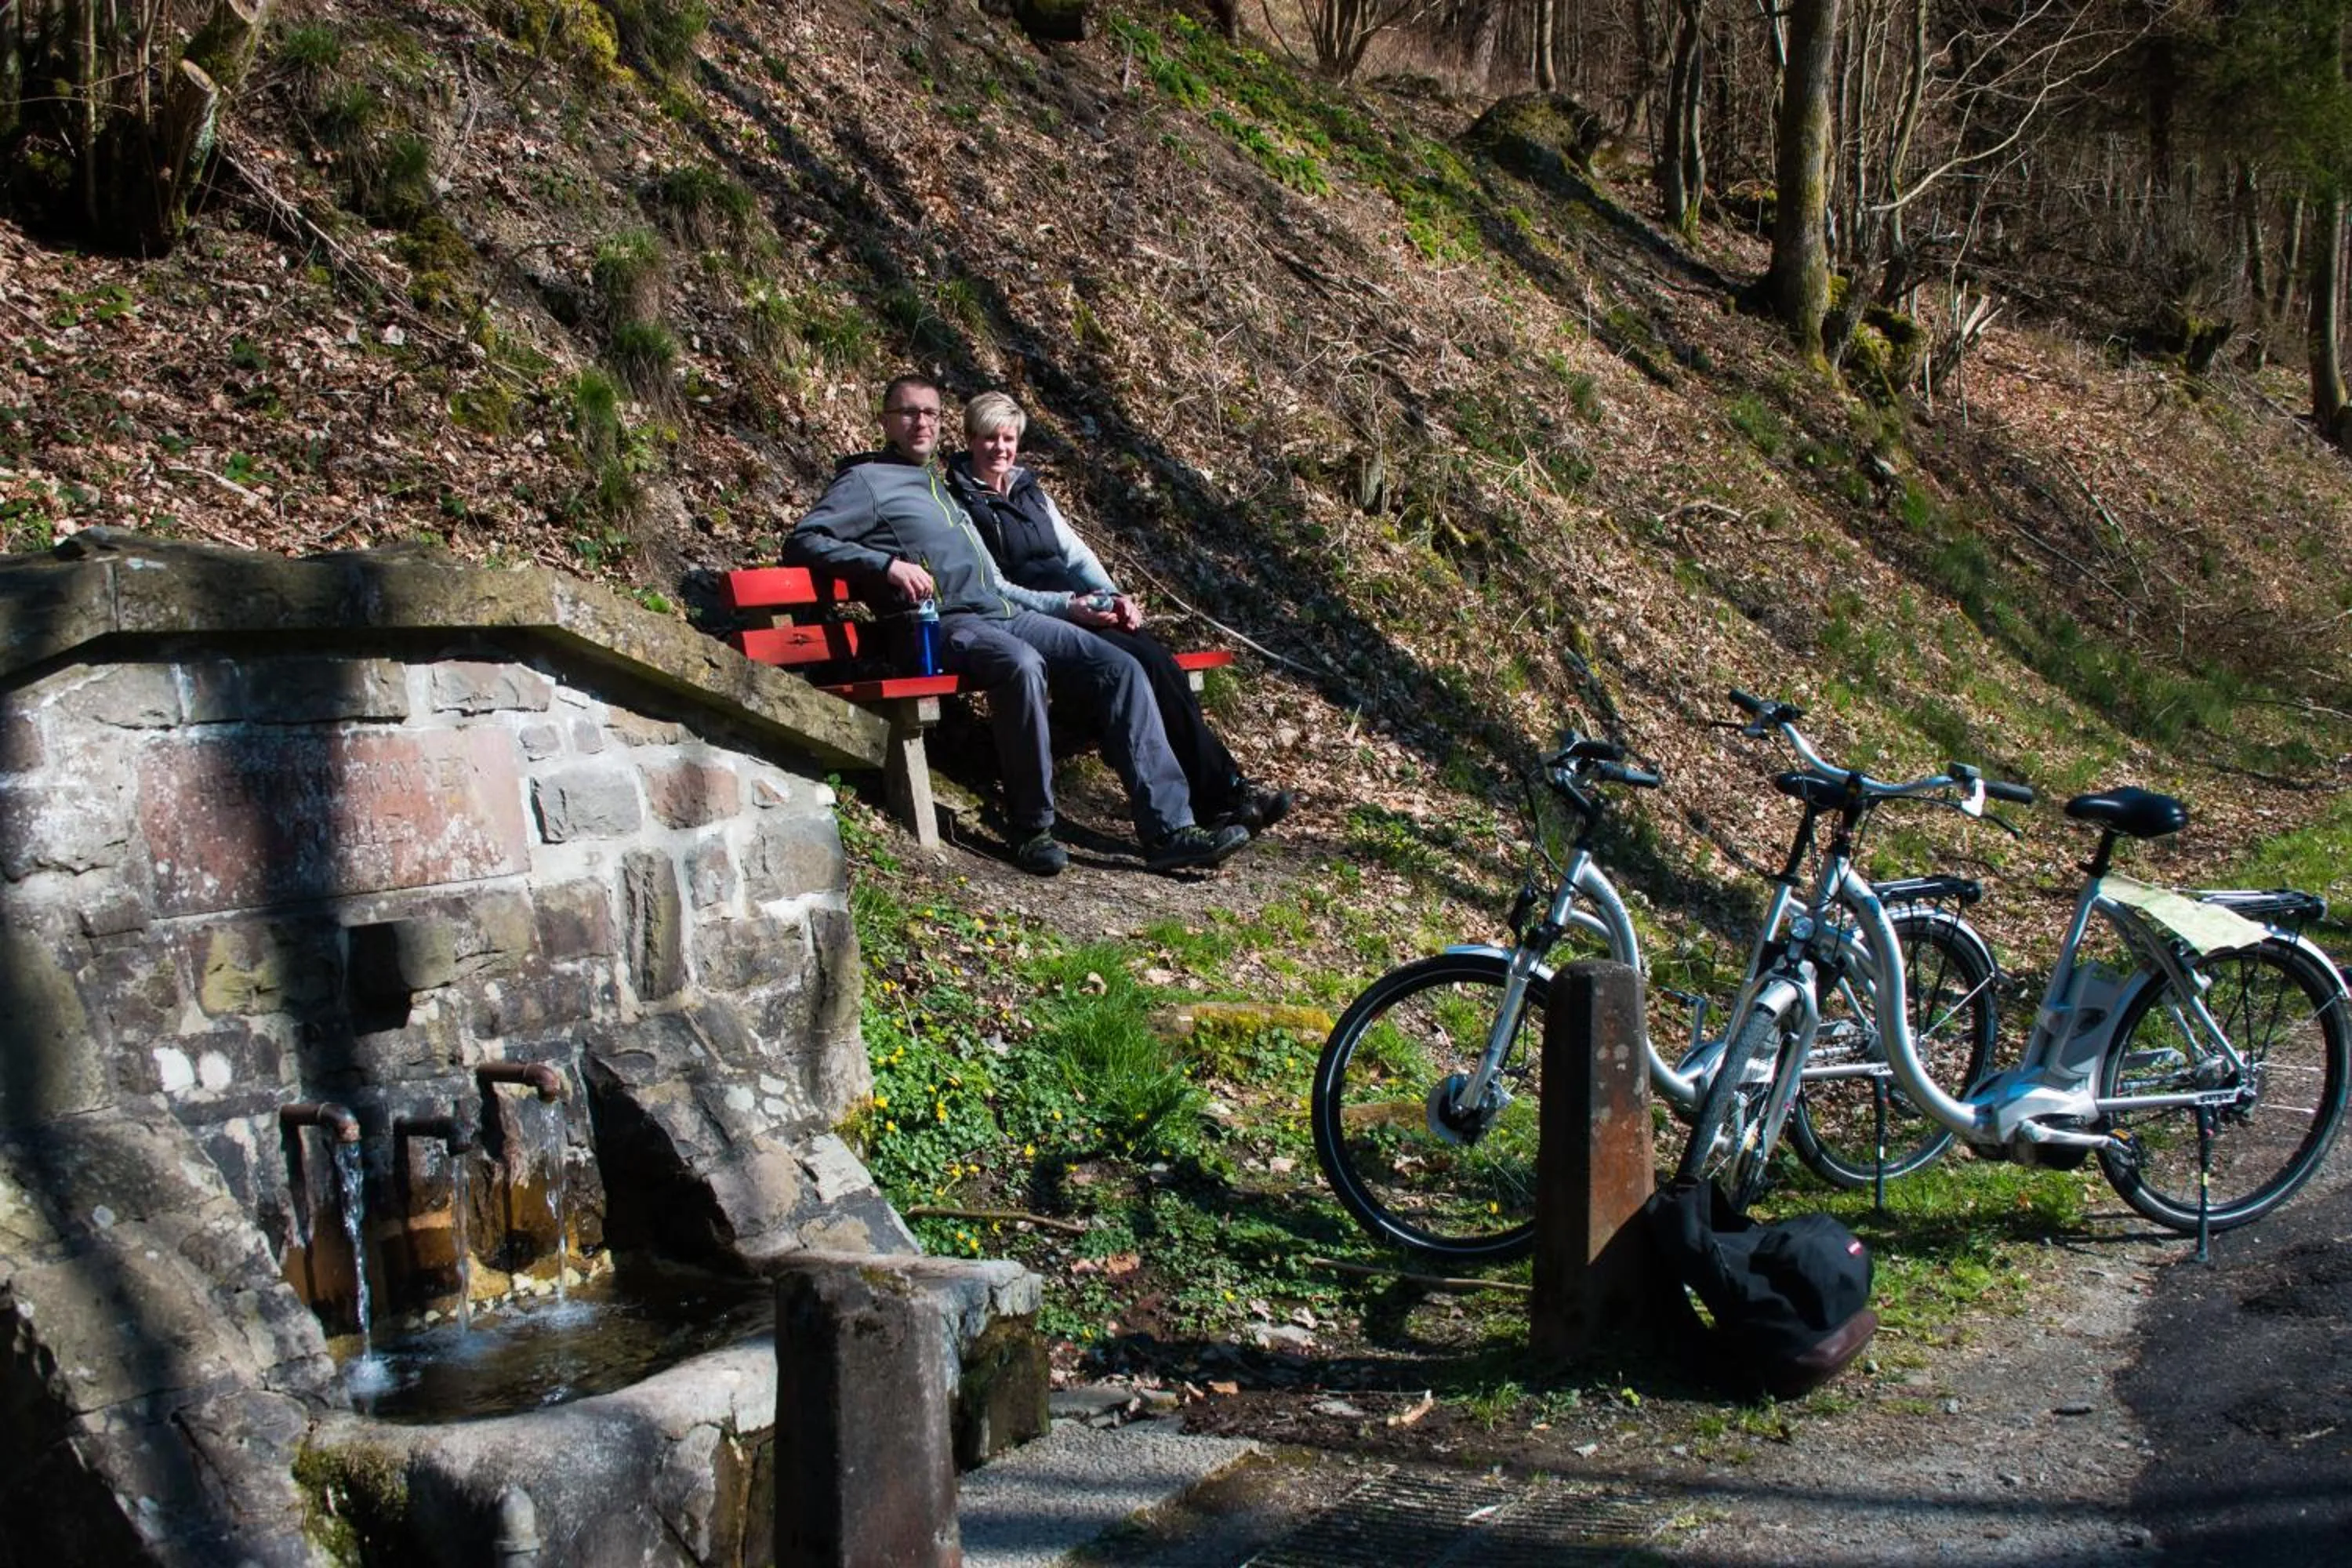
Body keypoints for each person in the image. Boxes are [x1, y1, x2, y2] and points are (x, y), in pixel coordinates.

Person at [779, 374, 1250, 877]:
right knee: (1021, 665)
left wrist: (1068, 605)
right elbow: (805, 539)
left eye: (931, 413)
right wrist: (886, 566)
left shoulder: (938, 485)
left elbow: (999, 584)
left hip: (1003, 613)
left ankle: (1169, 830)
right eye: (908, 413)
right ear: (886, 422)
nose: (921, 422)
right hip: (942, 624)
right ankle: (1032, 828)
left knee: (1120, 665)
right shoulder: (865, 481)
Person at [942, 392, 1290, 836]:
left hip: (1082, 603)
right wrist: (1067, 607)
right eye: (990, 438)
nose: (1000, 448)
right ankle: (1219, 797)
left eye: (1008, 439)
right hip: (1036, 615)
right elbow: (994, 585)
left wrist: (1113, 595)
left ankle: (1225, 790)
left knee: (1161, 663)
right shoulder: (958, 501)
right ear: (970, 438)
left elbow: (1076, 554)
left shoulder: (1030, 490)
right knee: (1136, 666)